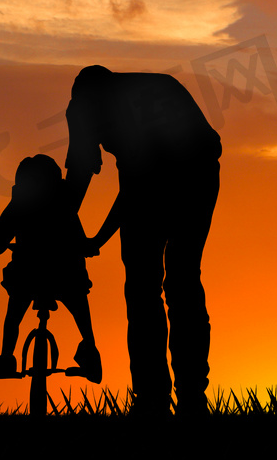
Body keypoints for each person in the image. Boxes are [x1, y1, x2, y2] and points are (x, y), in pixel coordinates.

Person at [68, 65, 221, 416]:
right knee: (141, 287)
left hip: (193, 178)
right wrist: (62, 227)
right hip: (151, 179)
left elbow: (135, 190)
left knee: (180, 280)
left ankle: (190, 397)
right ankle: (152, 398)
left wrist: (97, 239)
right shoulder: (82, 108)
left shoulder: (136, 106)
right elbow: (79, 169)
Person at [0, 153, 102, 384]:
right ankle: (90, 350)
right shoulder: (64, 205)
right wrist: (86, 247)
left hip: (28, 273)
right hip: (65, 272)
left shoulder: (18, 205)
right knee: (79, 305)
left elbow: (0, 241)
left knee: (14, 313)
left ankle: (7, 356)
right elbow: (79, 237)